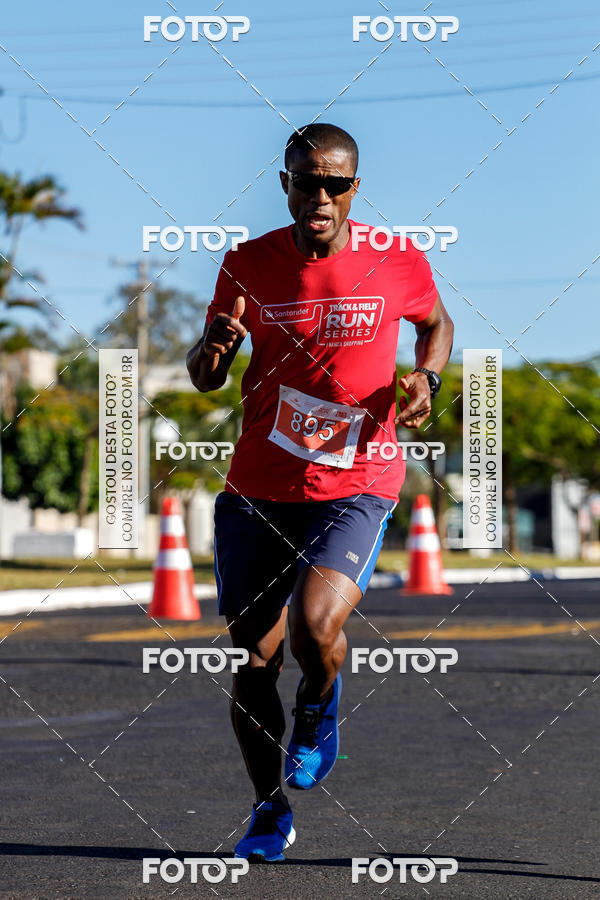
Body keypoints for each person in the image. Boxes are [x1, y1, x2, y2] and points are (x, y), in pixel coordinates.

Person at [186, 123, 454, 862]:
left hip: (357, 481)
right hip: (258, 488)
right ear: (285, 184)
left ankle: (319, 706)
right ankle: (268, 810)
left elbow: (436, 324)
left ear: (354, 189)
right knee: (254, 657)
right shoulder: (247, 264)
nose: (321, 196)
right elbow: (207, 368)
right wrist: (209, 352)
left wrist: (426, 377)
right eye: (308, 181)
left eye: (336, 183)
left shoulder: (396, 260)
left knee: (313, 627)